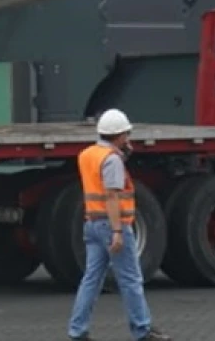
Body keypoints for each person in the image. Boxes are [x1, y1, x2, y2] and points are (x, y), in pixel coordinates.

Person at [68, 109, 171, 341]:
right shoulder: (112, 160)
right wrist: (117, 231)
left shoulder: (88, 154)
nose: (128, 137)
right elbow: (112, 195)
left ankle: (77, 330)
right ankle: (142, 330)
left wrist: (122, 156)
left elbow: (99, 178)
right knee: (131, 279)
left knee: (91, 280)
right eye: (126, 134)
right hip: (112, 225)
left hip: (92, 223)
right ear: (120, 135)